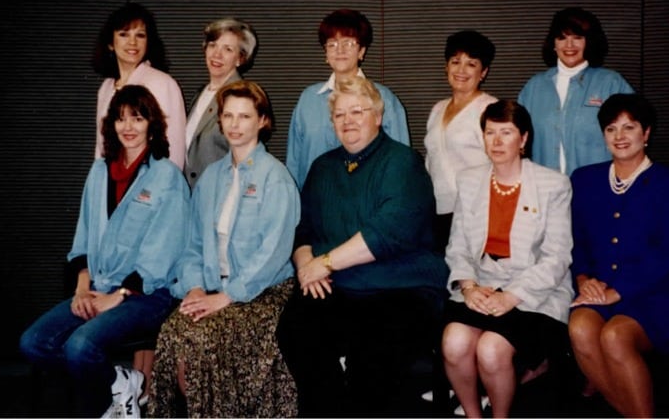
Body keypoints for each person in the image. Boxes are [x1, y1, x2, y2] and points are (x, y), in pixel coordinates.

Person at [276, 76, 448, 417]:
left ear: (378, 116)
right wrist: (307, 266)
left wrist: (324, 262)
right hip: (338, 286)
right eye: (339, 115)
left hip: (399, 287)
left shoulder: (403, 163)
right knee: (296, 329)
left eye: (357, 111)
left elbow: (388, 233)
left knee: (369, 354)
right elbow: (303, 230)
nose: (348, 121)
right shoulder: (323, 167)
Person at [19, 85, 189, 417]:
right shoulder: (99, 172)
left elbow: (162, 254)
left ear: (151, 125)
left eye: (137, 119)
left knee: (81, 347)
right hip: (97, 285)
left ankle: (104, 407)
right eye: (121, 119)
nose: (128, 127)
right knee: (33, 342)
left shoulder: (167, 177)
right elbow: (82, 238)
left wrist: (118, 296)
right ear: (110, 124)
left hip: (148, 294)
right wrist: (83, 288)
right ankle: (120, 382)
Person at [148, 80, 301, 418]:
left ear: (262, 121)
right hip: (213, 288)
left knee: (204, 341)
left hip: (264, 293)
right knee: (175, 332)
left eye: (244, 116)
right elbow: (193, 245)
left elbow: (272, 254)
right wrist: (195, 287)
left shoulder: (276, 178)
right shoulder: (211, 177)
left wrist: (227, 296)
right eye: (227, 115)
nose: (234, 124)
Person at [568, 93, 669, 417]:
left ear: (646, 133)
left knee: (615, 336)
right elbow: (577, 241)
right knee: (579, 327)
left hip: (658, 291)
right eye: (612, 129)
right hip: (600, 288)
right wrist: (585, 280)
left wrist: (619, 290)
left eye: (629, 127)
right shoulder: (585, 180)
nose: (620, 136)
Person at [442, 99, 574, 418]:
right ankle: (474, 414)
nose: (497, 141)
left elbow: (556, 258)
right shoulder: (470, 180)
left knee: (491, 348)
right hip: (482, 287)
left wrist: (511, 297)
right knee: (454, 341)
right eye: (490, 133)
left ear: (524, 139)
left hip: (534, 294)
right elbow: (457, 245)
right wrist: (469, 287)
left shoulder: (552, 184)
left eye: (507, 132)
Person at [285, 8, 410, 189]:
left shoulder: (385, 99)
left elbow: (401, 164)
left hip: (368, 203)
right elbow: (294, 163)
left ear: (362, 51)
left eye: (348, 43)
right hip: (314, 202)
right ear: (325, 53)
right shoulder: (308, 100)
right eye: (332, 44)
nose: (340, 50)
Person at [517, 7, 633, 176]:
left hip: (597, 188)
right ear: (553, 44)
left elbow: (633, 138)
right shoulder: (533, 88)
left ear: (589, 42)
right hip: (544, 191)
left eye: (577, 37)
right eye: (562, 38)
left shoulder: (611, 84)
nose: (569, 45)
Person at [424, 30, 498, 254]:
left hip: (478, 212)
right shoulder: (437, 109)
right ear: (446, 66)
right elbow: (431, 161)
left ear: (483, 72)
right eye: (455, 62)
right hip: (439, 212)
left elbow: (503, 165)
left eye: (471, 64)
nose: (461, 70)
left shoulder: (490, 109)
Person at [92, 2, 187, 170]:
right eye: (124, 34)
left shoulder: (163, 84)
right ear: (110, 43)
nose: (132, 42)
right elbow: (101, 148)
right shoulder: (106, 88)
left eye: (140, 35)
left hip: (150, 186)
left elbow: (175, 150)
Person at [184, 17, 258, 188]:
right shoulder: (201, 94)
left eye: (227, 49)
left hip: (221, 193)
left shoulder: (243, 97)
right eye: (213, 45)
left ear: (240, 58)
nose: (217, 54)